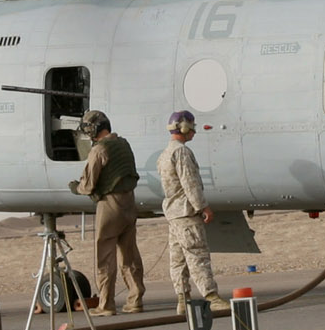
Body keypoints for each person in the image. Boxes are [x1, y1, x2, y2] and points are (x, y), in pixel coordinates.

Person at [68, 110, 145, 314]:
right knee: (129, 254)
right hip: (129, 203)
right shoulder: (123, 145)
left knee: (105, 256)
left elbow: (88, 185)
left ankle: (106, 304)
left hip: (110, 205)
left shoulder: (99, 150)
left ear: (94, 129)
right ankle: (135, 299)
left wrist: (75, 187)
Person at [157, 110, 228, 315]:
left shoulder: (165, 153)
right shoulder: (181, 153)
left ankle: (182, 299)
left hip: (174, 215)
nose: (194, 132)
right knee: (197, 255)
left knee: (178, 259)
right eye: (192, 127)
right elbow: (190, 183)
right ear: (184, 127)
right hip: (186, 214)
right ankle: (211, 296)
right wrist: (202, 206)